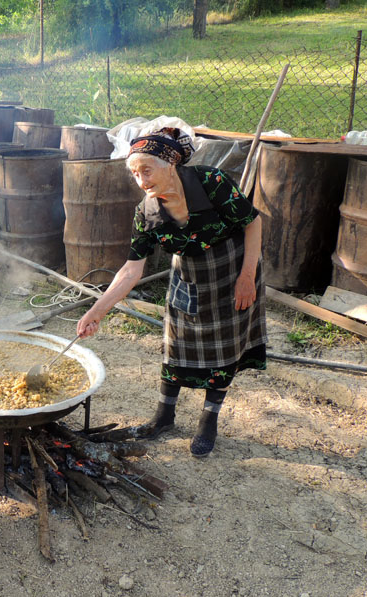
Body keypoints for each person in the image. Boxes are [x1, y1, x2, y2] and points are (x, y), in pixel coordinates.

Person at [76, 127, 266, 458]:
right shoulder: (146, 214)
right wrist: (96, 312)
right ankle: (163, 417)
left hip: (233, 272)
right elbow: (131, 270)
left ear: (170, 165)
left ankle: (208, 420)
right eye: (135, 173)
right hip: (187, 275)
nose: (141, 180)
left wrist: (247, 277)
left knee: (226, 349)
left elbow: (253, 223)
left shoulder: (210, 182)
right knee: (175, 346)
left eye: (146, 170)